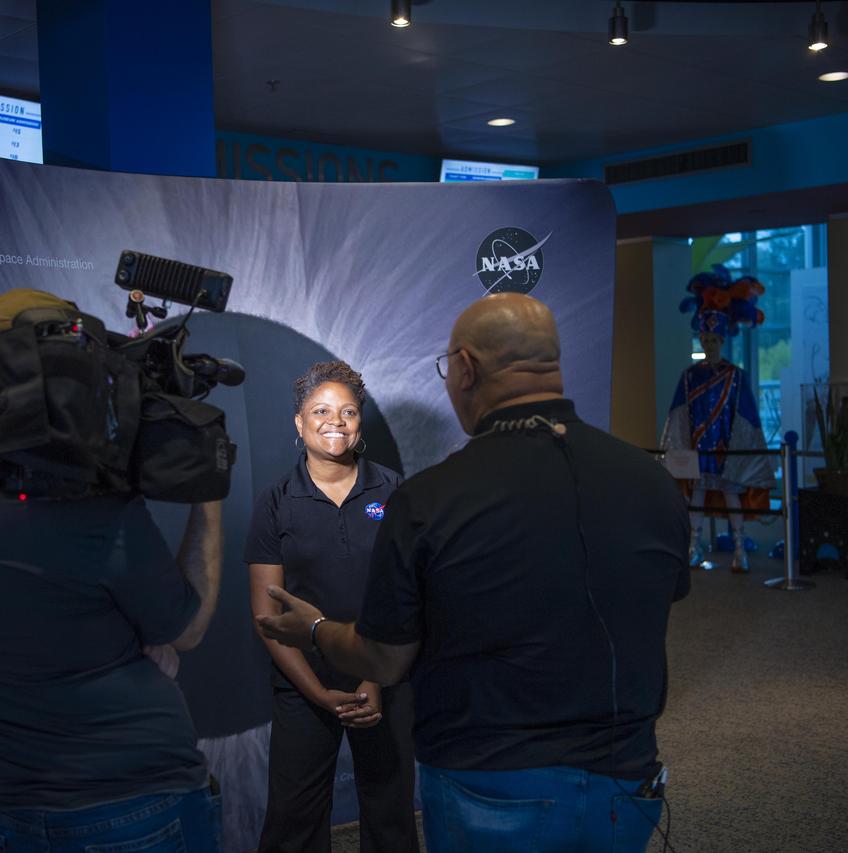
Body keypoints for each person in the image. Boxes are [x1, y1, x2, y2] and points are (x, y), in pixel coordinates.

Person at [256, 293, 690, 853]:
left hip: (489, 780)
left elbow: (386, 657)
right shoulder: (653, 482)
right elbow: (664, 596)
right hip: (626, 781)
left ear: (465, 368)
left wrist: (315, 630)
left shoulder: (428, 499)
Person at [0, 289, 224, 853]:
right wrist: (206, 489)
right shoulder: (87, 506)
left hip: (3, 814)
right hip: (135, 807)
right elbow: (184, 630)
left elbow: (32, 615)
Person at [246, 361, 419, 853]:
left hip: (384, 679)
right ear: (299, 422)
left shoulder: (393, 490)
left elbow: (410, 597)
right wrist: (319, 694)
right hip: (303, 683)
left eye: (348, 411)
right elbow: (267, 617)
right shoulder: (276, 502)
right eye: (320, 411)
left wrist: (373, 679)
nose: (335, 422)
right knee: (293, 823)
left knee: (391, 816)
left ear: (360, 421)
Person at [661, 266, 774, 572]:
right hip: (699, 449)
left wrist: (744, 452)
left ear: (722, 341)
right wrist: (678, 451)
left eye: (714, 340)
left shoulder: (735, 376)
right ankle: (693, 547)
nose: (709, 345)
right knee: (696, 497)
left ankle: (740, 550)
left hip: (726, 449)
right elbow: (678, 416)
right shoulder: (689, 376)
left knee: (731, 496)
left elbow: (747, 417)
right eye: (706, 339)